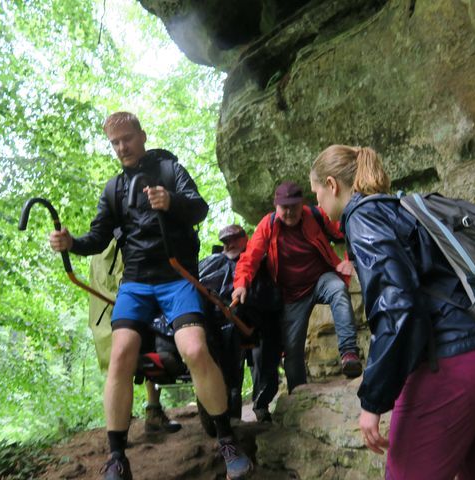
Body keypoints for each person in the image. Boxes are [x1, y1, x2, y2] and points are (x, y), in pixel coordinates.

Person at [49, 112, 252, 480]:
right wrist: (71, 243)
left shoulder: (170, 169)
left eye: (127, 138)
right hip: (136, 281)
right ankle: (116, 456)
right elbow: (98, 239)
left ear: (141, 136)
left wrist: (170, 201)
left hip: (178, 276)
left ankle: (226, 439)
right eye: (115, 142)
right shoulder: (113, 189)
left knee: (194, 349)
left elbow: (200, 208)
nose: (122, 147)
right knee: (121, 353)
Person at [309, 145, 475, 479]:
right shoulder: (403, 208)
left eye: (317, 194)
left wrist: (373, 400)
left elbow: (398, 308)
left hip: (457, 366)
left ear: (332, 184)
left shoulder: (363, 217)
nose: (318, 205)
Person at [231, 181, 363, 400]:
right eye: (285, 207)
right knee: (292, 350)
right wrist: (241, 285)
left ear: (302, 203)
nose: (290, 212)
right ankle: (298, 396)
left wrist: (349, 261)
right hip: (291, 295)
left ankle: (349, 354)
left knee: (338, 288)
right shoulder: (268, 225)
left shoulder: (315, 215)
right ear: (276, 206)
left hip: (321, 279)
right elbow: (249, 258)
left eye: (294, 206)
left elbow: (347, 229)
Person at [89, 240, 181, 435]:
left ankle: (153, 413)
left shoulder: (131, 233)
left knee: (149, 356)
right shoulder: (112, 242)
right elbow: (113, 278)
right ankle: (119, 427)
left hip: (132, 305)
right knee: (120, 361)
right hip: (117, 309)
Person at [198, 224, 283, 423]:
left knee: (264, 361)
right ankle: (229, 412)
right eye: (226, 241)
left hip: (259, 323)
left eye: (235, 238)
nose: (230, 244)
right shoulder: (213, 263)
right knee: (225, 358)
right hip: (224, 325)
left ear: (245, 238)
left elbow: (271, 295)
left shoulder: (259, 259)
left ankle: (260, 405)